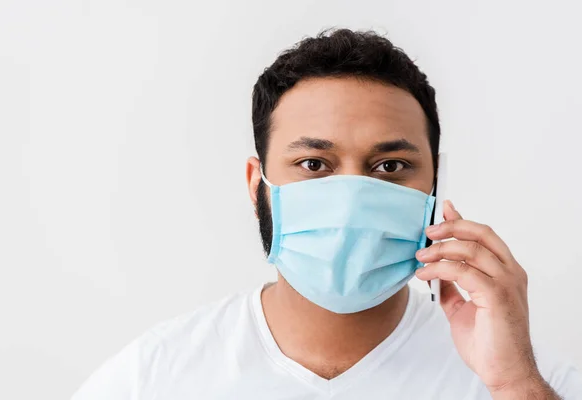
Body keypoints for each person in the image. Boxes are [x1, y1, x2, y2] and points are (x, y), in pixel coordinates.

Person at [72, 28, 582, 399]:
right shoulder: (153, 377)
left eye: (390, 165)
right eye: (313, 164)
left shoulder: (525, 378)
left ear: (433, 186)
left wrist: (514, 384)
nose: (352, 194)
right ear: (259, 186)